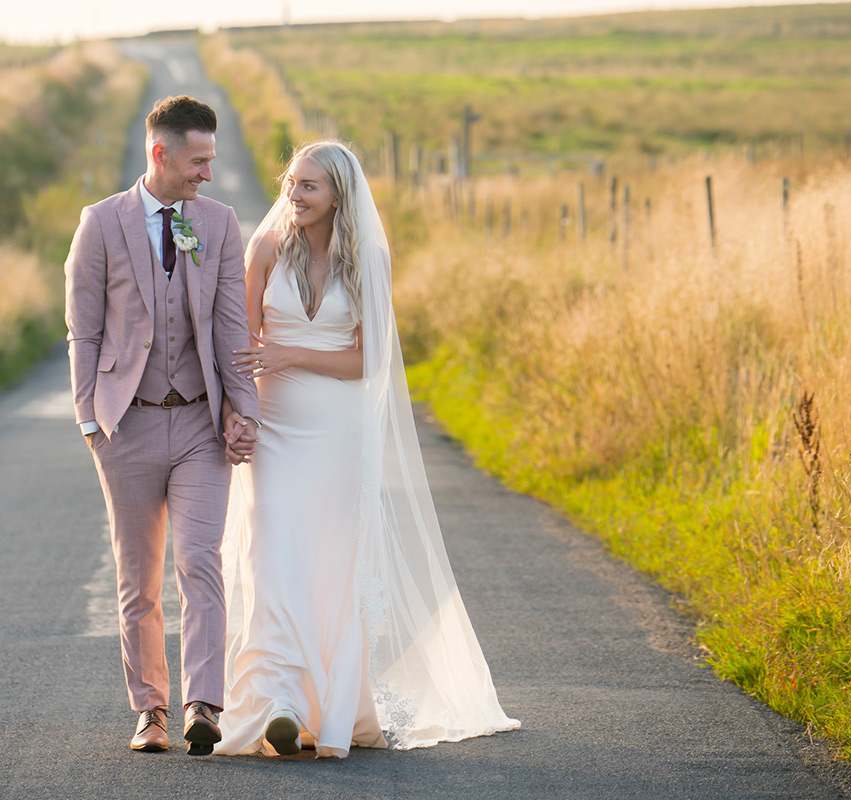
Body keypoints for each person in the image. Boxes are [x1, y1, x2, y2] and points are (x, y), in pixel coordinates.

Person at [216, 141, 518, 758]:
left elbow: (368, 360)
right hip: (274, 428)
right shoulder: (266, 247)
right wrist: (239, 414)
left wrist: (292, 353)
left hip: (339, 431)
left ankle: (328, 707)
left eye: (309, 188)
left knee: (331, 563)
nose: (294, 197)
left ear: (338, 196)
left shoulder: (368, 258)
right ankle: (278, 701)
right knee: (272, 552)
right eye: (291, 183)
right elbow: (242, 344)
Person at [64, 95, 261, 756]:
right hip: (128, 427)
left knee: (200, 562)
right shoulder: (99, 224)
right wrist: (91, 419)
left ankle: (203, 703)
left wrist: (244, 413)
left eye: (211, 159)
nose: (208, 172)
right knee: (138, 577)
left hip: (202, 427)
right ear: (161, 154)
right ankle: (149, 712)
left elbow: (233, 326)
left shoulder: (220, 223)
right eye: (198, 160)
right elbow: (82, 331)